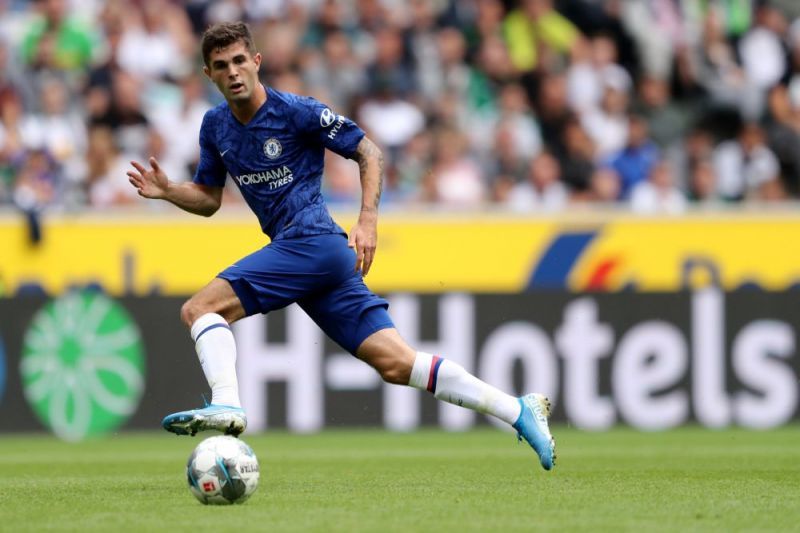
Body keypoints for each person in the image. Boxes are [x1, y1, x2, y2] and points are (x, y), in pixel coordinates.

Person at [126, 22, 556, 471]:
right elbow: (210, 199)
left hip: (313, 242)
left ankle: (228, 404)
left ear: (256, 62)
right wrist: (170, 190)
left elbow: (369, 152)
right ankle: (517, 410)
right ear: (208, 75)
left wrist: (368, 219)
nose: (232, 72)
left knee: (200, 310)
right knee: (396, 364)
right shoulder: (215, 126)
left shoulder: (297, 112)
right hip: (311, 259)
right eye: (220, 66)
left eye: (238, 61)